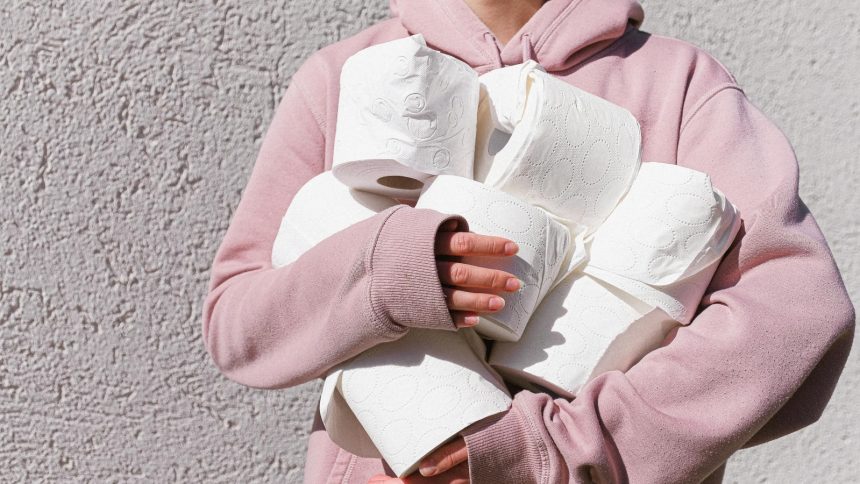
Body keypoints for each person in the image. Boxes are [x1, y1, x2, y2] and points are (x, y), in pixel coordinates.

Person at [200, 0, 855, 482]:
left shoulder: (680, 84)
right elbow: (239, 324)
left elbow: (792, 312)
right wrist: (390, 273)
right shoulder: (350, 78)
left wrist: (560, 449)